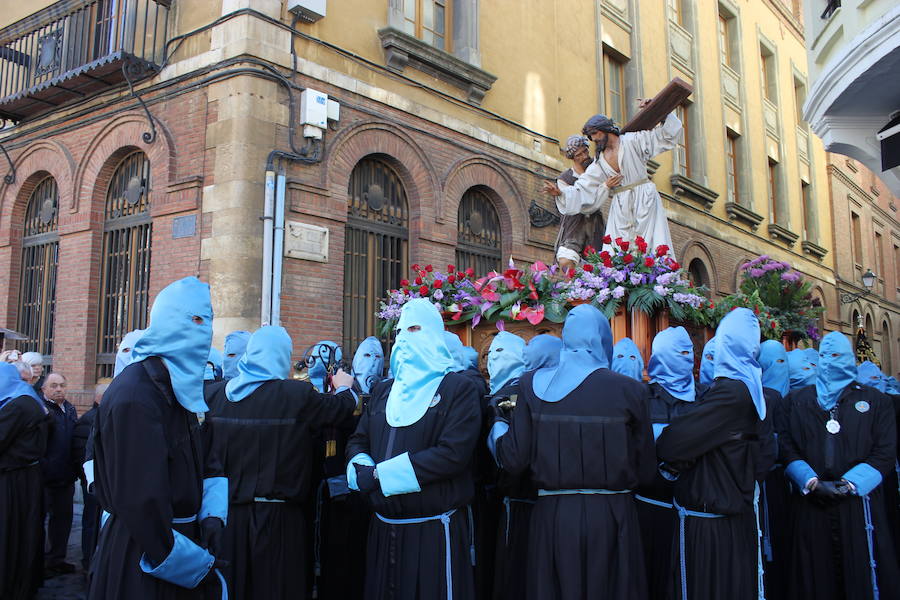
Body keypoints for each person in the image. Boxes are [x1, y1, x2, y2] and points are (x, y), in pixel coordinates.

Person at [493, 304, 655, 599]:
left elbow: (514, 460)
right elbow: (646, 470)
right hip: (613, 516)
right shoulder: (631, 390)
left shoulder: (530, 384)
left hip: (553, 516)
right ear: (602, 338)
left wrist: (497, 429)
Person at [88, 277, 228, 600]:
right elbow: (140, 500)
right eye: (195, 320)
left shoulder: (176, 388)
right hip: (145, 553)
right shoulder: (137, 395)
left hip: (180, 538)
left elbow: (205, 457)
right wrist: (189, 565)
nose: (205, 332)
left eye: (208, 321)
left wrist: (211, 516)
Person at [204, 326, 358, 599]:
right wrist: (345, 387)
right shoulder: (295, 394)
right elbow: (339, 409)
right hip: (279, 522)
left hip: (227, 519)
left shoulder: (215, 396)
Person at [346, 298, 482, 600]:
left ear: (432, 332)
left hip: (431, 531)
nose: (404, 338)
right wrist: (360, 466)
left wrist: (380, 475)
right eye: (399, 331)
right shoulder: (384, 390)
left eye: (414, 329)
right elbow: (359, 439)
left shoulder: (457, 389)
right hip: (383, 529)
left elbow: (452, 454)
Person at [657, 308, 773, 600]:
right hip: (727, 517)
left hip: (710, 524)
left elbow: (671, 444)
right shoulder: (748, 388)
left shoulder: (731, 393)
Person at [782, 332, 899, 600]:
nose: (829, 362)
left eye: (836, 356)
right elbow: (786, 444)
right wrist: (809, 481)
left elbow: (884, 451)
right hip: (812, 501)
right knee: (814, 574)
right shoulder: (798, 401)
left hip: (858, 504)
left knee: (859, 570)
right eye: (824, 356)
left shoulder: (875, 401)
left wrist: (850, 485)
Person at [552, 108, 682, 255]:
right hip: (621, 205)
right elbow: (584, 186)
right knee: (619, 249)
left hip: (645, 199)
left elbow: (665, 136)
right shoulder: (600, 162)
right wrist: (561, 193)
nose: (593, 140)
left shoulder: (633, 141)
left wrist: (663, 112)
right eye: (590, 137)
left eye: (595, 134)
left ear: (605, 129)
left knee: (652, 246)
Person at [634, 326, 703, 600]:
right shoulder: (641, 397)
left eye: (689, 352)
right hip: (651, 509)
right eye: (678, 353)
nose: (686, 359)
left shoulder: (705, 396)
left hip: (693, 508)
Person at [479, 332, 526, 600]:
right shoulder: (496, 392)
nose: (494, 360)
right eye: (490, 353)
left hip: (512, 493)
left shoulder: (517, 392)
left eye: (502, 352)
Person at [0, 362, 49, 599]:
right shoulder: (28, 399)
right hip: (27, 478)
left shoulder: (18, 405)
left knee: (12, 535)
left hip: (14, 481)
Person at [757, 340, 793, 600]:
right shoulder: (759, 397)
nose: (778, 368)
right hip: (764, 481)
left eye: (782, 362)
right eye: (772, 363)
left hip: (787, 481)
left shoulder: (798, 399)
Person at [541, 135, 606, 269]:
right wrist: (560, 193)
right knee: (567, 260)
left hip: (594, 223)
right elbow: (570, 201)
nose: (584, 156)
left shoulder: (596, 170)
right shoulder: (565, 179)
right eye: (579, 155)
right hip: (574, 224)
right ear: (572, 158)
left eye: (585, 151)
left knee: (598, 264)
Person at [41, 372, 79, 575]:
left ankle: (57, 559)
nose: (58, 389)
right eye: (54, 385)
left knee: (63, 521)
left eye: (62, 385)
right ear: (44, 389)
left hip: (66, 476)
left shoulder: (70, 409)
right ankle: (38, 562)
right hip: (44, 478)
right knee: (39, 522)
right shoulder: (41, 410)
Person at [73, 383, 106, 572]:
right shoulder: (90, 419)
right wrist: (88, 480)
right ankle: (88, 561)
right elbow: (83, 453)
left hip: (100, 483)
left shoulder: (101, 416)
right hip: (93, 484)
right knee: (91, 523)